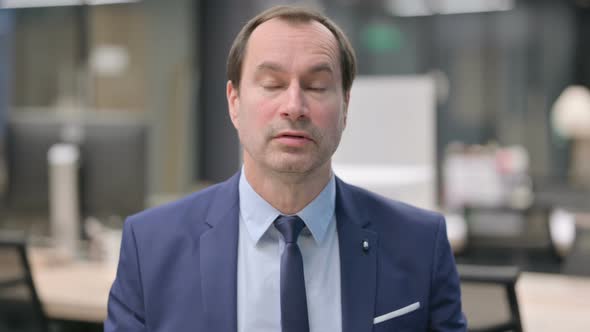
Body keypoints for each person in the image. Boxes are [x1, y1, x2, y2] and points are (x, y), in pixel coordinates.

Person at [105, 5, 466, 332]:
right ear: (234, 102)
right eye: (272, 84)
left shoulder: (421, 244)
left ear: (345, 106)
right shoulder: (150, 247)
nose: (294, 106)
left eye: (317, 85)